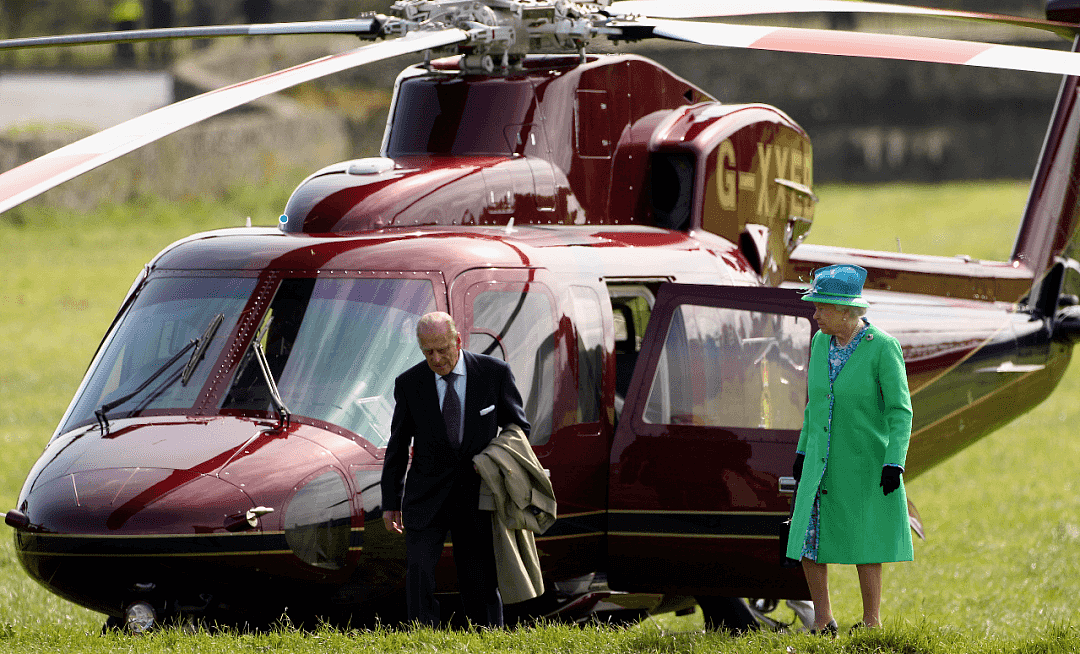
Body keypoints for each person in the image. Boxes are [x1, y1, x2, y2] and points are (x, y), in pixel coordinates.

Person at [785, 264, 913, 635]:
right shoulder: (820, 342)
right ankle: (823, 620)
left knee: (866, 541)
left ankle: (871, 622)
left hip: (864, 462)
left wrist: (895, 461)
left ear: (845, 311)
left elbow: (900, 410)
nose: (815, 314)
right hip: (821, 461)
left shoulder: (883, 348)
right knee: (808, 537)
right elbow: (815, 402)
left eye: (820, 307)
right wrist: (802, 450)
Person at [381, 312, 530, 628]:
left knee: (479, 576)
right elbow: (397, 445)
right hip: (425, 495)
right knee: (419, 572)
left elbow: (518, 426)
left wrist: (493, 458)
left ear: (458, 342)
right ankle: (421, 638)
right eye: (428, 352)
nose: (436, 358)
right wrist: (391, 502)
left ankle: (488, 637)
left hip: (477, 495)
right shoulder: (409, 383)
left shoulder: (494, 373)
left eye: (443, 349)